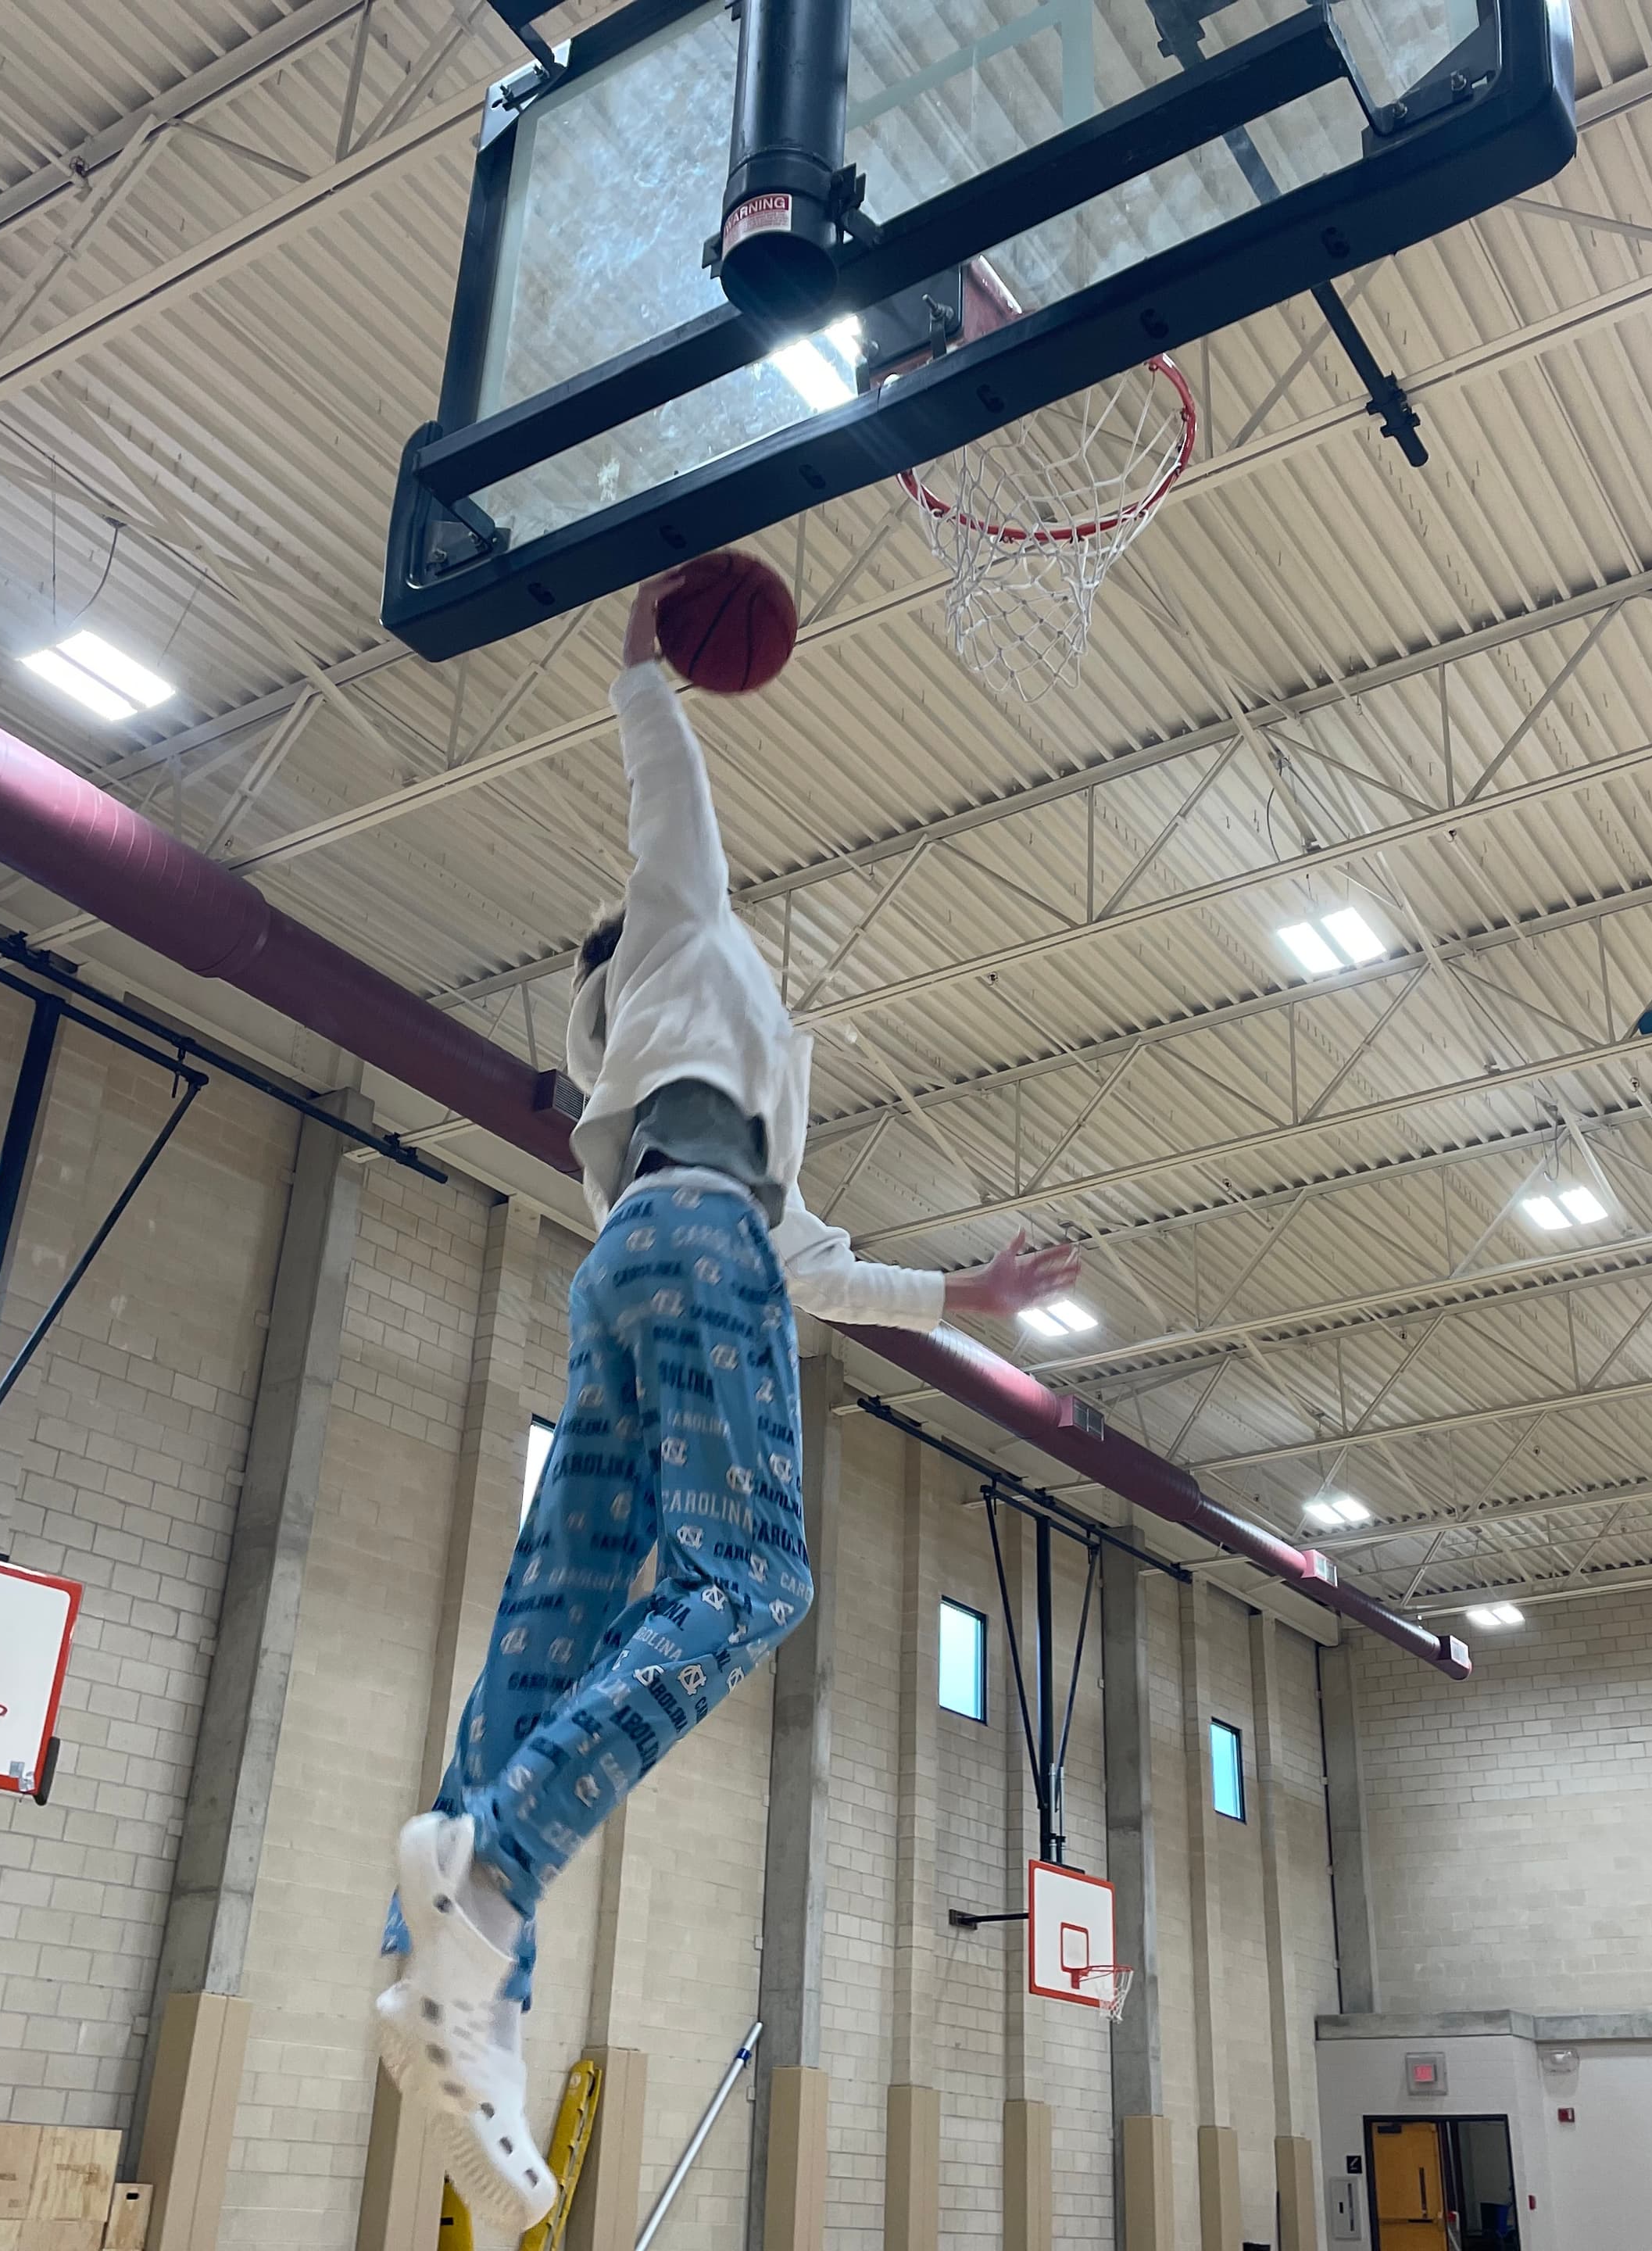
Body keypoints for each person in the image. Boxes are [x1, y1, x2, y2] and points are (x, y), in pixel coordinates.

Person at [371, 561, 1084, 2227]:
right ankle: (489, 1882)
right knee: (755, 1576)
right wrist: (644, 649)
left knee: (548, 1630)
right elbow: (663, 786)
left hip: (632, 1255)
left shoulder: (664, 1072)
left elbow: (813, 1257)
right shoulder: (680, 932)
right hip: (703, 1255)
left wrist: (961, 1298)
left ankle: (459, 1990)